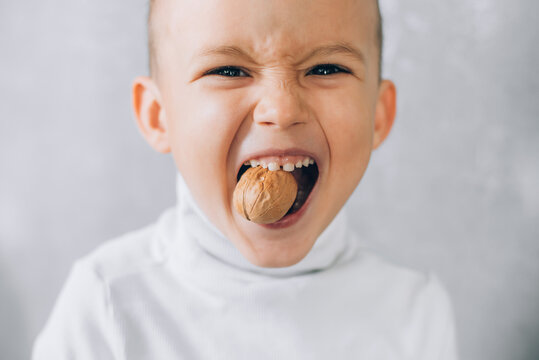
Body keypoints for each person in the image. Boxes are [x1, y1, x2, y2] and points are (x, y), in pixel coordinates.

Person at [32, 0, 458, 358]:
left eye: (326, 69)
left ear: (377, 116)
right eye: (229, 71)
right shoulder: (108, 305)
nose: (281, 107)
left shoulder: (413, 312)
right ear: (158, 116)